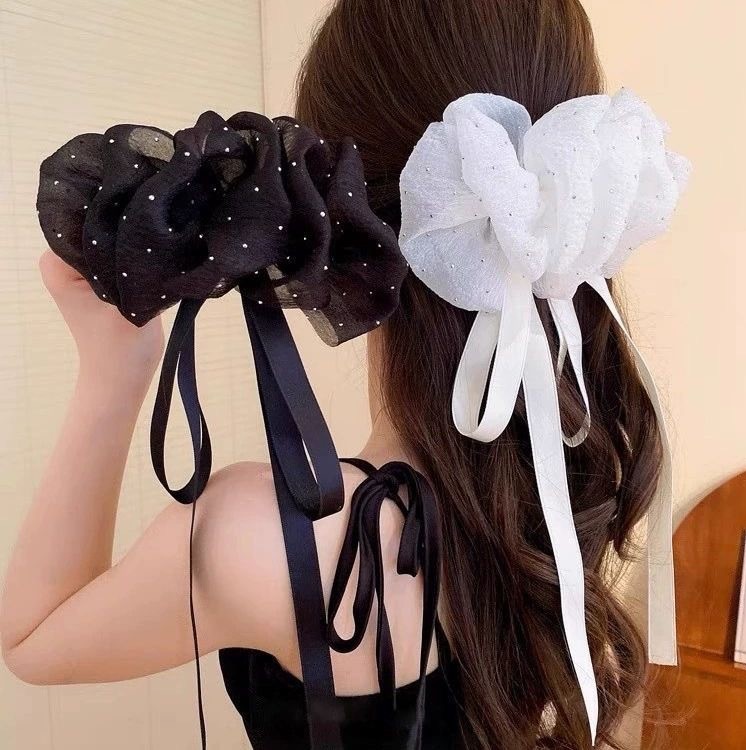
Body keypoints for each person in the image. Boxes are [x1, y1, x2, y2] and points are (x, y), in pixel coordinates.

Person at [1, 1, 688, 748]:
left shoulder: (272, 541)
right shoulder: (564, 483)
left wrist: (115, 372)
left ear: (332, 215)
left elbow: (33, 639)